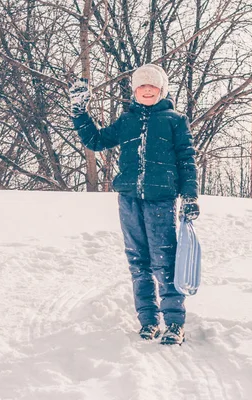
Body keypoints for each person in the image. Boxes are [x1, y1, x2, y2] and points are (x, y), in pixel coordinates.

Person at [70, 64, 200, 345]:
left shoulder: (175, 120)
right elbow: (95, 140)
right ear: (134, 91)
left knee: (164, 261)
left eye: (152, 86)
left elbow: (186, 160)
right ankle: (148, 320)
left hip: (161, 199)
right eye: (142, 86)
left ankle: (174, 323)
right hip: (129, 199)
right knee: (138, 262)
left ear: (162, 89)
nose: (147, 90)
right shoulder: (126, 121)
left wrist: (190, 196)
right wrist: (80, 113)